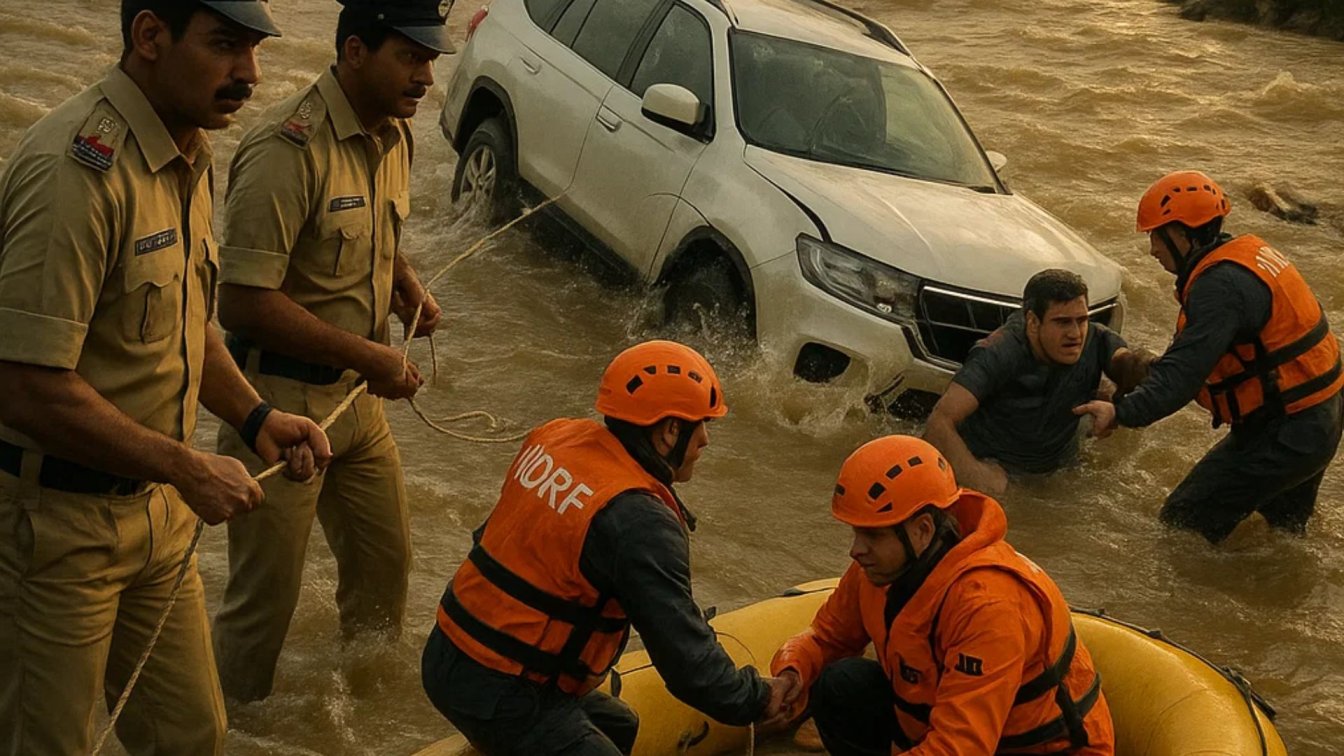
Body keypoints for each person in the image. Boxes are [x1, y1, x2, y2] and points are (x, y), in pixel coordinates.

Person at [0, 2, 332, 754]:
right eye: (225, 46)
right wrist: (185, 466)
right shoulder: (75, 172)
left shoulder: (189, 154)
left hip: (157, 515)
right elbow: (24, 384)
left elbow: (183, 325)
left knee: (192, 736)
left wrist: (256, 417)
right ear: (150, 36)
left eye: (254, 49)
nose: (250, 73)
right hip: (56, 533)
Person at [210, 0, 453, 702]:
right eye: (410, 57)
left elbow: (379, 233)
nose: (426, 78)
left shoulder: (395, 136)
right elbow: (242, 302)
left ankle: (361, 715)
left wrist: (405, 284)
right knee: (264, 606)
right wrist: (374, 358)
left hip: (358, 406)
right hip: (279, 404)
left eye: (430, 60)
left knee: (386, 573)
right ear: (353, 52)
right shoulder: (286, 149)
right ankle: (236, 728)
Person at [421, 340, 789, 755]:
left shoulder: (555, 437)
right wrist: (755, 699)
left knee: (620, 725)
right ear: (669, 431)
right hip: (501, 688)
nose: (704, 440)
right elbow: (686, 663)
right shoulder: (638, 519)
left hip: (446, 653)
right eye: (700, 424)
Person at [771, 436, 1115, 756]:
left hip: (1038, 749)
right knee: (841, 684)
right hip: (946, 730)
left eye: (872, 536)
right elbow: (828, 637)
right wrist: (792, 673)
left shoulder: (988, 605)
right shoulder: (880, 569)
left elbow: (961, 747)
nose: (856, 550)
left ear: (922, 530)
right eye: (856, 533)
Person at [1075, 171, 1344, 543]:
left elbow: (1182, 376)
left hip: (1288, 429)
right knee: (1282, 536)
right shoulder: (1245, 256)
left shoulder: (1219, 287)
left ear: (1181, 234)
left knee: (1182, 524)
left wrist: (1120, 413)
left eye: (1156, 236)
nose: (1152, 249)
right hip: (1323, 415)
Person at [924, 269, 1152, 494]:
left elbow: (1131, 366)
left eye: (1082, 320)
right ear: (1033, 322)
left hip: (1059, 469)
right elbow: (939, 421)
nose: (1075, 334)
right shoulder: (999, 352)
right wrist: (977, 477)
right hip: (999, 469)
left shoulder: (1096, 339)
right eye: (1062, 322)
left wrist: (1126, 399)